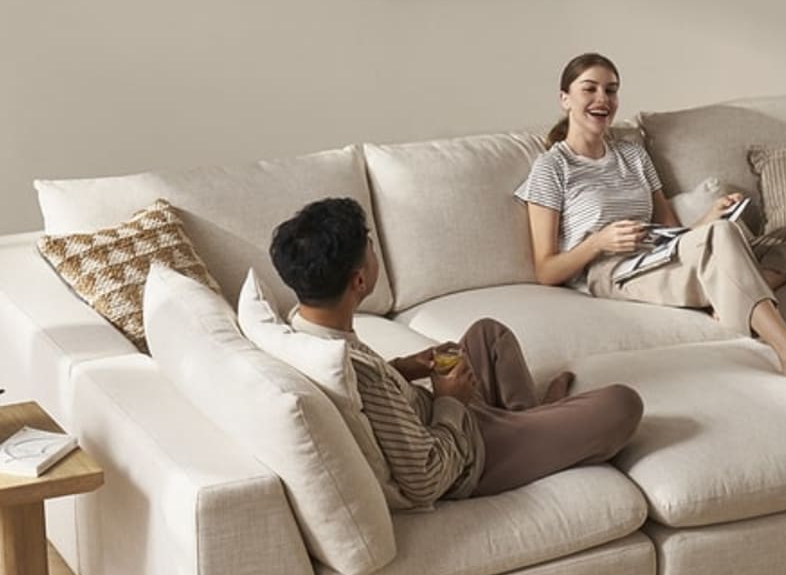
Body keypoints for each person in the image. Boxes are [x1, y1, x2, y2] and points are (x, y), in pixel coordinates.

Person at [268, 197, 643, 504]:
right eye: (370, 247)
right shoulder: (353, 369)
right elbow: (425, 480)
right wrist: (452, 402)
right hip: (469, 457)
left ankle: (534, 422)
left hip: (443, 418)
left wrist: (407, 367)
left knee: (487, 335)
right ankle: (539, 428)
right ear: (360, 280)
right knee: (622, 405)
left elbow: (371, 396)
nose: (373, 251)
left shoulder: (304, 326)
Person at [517, 52, 786, 382]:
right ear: (565, 99)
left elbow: (671, 232)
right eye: (589, 89)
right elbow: (546, 270)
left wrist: (710, 217)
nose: (602, 98)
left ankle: (735, 293)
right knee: (722, 236)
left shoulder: (633, 155)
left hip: (664, 253)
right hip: (614, 270)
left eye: (611, 89)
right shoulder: (552, 167)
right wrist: (599, 242)